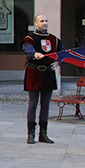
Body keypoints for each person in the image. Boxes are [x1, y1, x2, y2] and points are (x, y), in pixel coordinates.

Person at [22, 13, 61, 145]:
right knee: (33, 104)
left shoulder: (54, 39)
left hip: (48, 73)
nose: (44, 23)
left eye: (46, 20)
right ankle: (30, 134)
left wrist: (60, 61)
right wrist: (35, 54)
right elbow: (28, 51)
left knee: (45, 106)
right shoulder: (30, 39)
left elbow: (62, 53)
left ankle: (43, 134)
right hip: (34, 72)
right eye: (41, 21)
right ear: (36, 23)